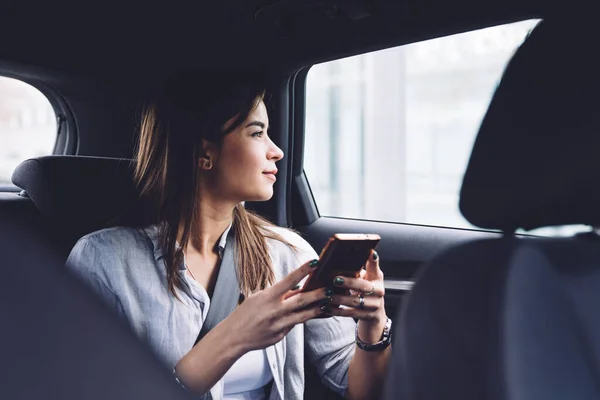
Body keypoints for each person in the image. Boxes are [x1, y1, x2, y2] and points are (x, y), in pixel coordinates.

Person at [65, 70, 392, 400]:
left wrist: (372, 324)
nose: (276, 150)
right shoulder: (103, 259)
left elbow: (358, 390)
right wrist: (234, 335)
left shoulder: (288, 253)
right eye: (256, 133)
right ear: (204, 152)